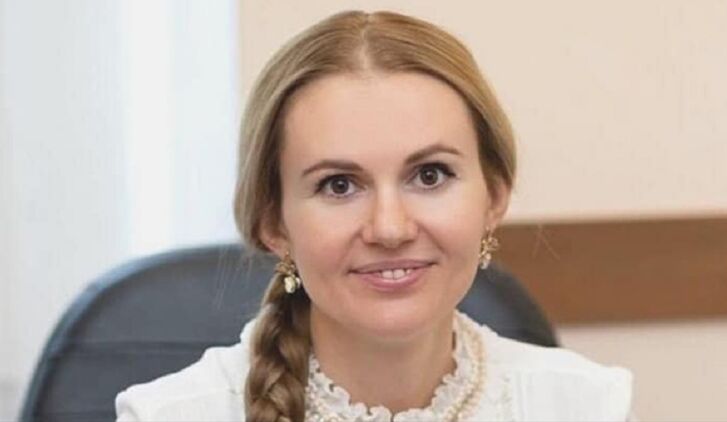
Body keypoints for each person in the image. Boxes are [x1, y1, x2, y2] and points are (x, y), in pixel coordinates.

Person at [115, 9, 636, 422]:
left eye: (429, 175)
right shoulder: (168, 416)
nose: (390, 228)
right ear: (274, 222)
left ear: (494, 198)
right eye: (339, 185)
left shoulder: (589, 407)